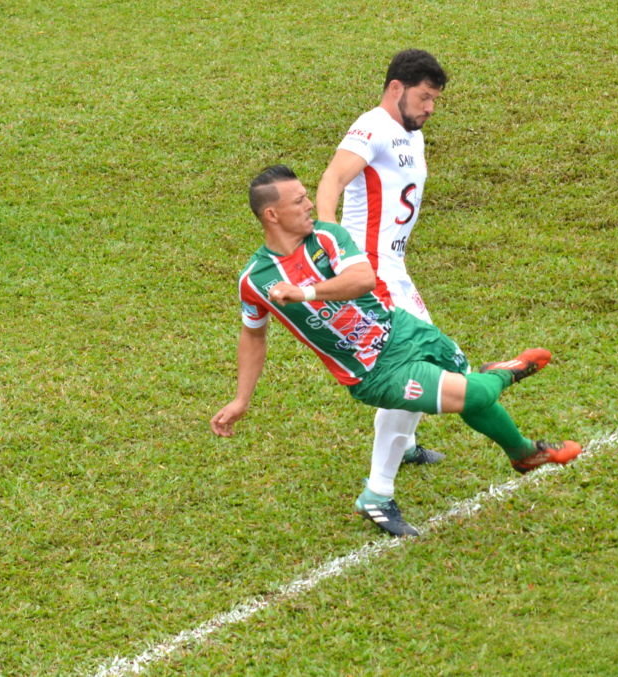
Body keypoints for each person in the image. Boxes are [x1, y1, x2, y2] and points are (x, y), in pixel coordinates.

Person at [211, 165, 582, 537]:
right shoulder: (255, 280)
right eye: (299, 200)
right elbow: (253, 336)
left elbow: (362, 280)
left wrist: (304, 292)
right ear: (272, 215)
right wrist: (242, 399)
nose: (310, 204)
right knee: (480, 391)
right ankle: (505, 371)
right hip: (375, 372)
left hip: (404, 329)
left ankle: (523, 454)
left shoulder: (326, 237)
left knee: (474, 392)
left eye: (307, 195)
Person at [315, 48, 448, 516]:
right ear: (397, 89)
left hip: (394, 268)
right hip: (371, 274)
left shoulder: (411, 133)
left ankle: (404, 441)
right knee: (416, 368)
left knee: (422, 361)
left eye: (435, 99)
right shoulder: (372, 126)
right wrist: (330, 239)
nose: (431, 107)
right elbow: (332, 178)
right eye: (425, 97)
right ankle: (378, 493)